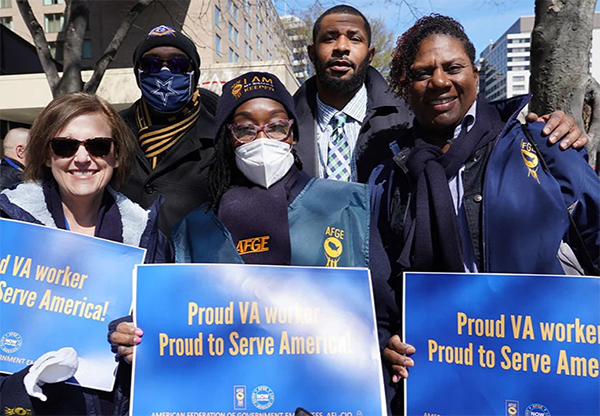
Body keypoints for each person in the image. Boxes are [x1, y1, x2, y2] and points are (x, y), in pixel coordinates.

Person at [109, 72, 399, 414]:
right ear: (228, 139)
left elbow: (381, 316)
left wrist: (387, 347)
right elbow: (173, 329)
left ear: (291, 134)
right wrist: (133, 337)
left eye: (276, 126)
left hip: (327, 401)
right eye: (246, 128)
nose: (262, 138)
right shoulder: (195, 227)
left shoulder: (349, 206)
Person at [371, 14, 600, 414]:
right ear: (407, 88)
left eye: (453, 67)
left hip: (545, 370)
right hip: (440, 381)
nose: (439, 81)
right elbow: (382, 287)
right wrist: (385, 341)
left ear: (476, 74)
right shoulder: (389, 176)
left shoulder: (545, 146)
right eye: (423, 73)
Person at [0, 92, 172, 415]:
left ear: (117, 156)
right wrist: (16, 389)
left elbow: (172, 352)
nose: (82, 158)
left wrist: (147, 346)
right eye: (65, 146)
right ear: (46, 155)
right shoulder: (6, 226)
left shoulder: (150, 239)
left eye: (97, 146)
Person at [294, 5, 587, 185]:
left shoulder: (412, 119)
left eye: (354, 38)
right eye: (329, 38)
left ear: (370, 54)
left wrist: (554, 131)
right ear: (311, 53)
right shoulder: (280, 125)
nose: (341, 47)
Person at [119, 24, 215, 237]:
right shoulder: (114, 129)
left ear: (194, 73)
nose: (164, 72)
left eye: (178, 64)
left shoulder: (219, 135)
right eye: (151, 64)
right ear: (138, 72)